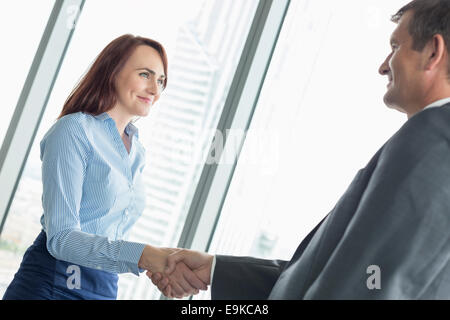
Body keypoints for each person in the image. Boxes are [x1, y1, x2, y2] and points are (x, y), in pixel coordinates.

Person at [148, 0, 450, 299]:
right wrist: (216, 269)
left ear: (433, 52)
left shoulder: (432, 141)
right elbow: (339, 274)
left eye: (396, 47)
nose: (383, 66)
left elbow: (369, 286)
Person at [2, 34, 206, 300]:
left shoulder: (136, 151)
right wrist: (146, 255)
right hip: (53, 285)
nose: (155, 90)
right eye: (145, 75)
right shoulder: (73, 130)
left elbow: (111, 233)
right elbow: (62, 238)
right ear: (112, 71)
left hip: (104, 287)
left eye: (161, 81)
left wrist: (156, 264)